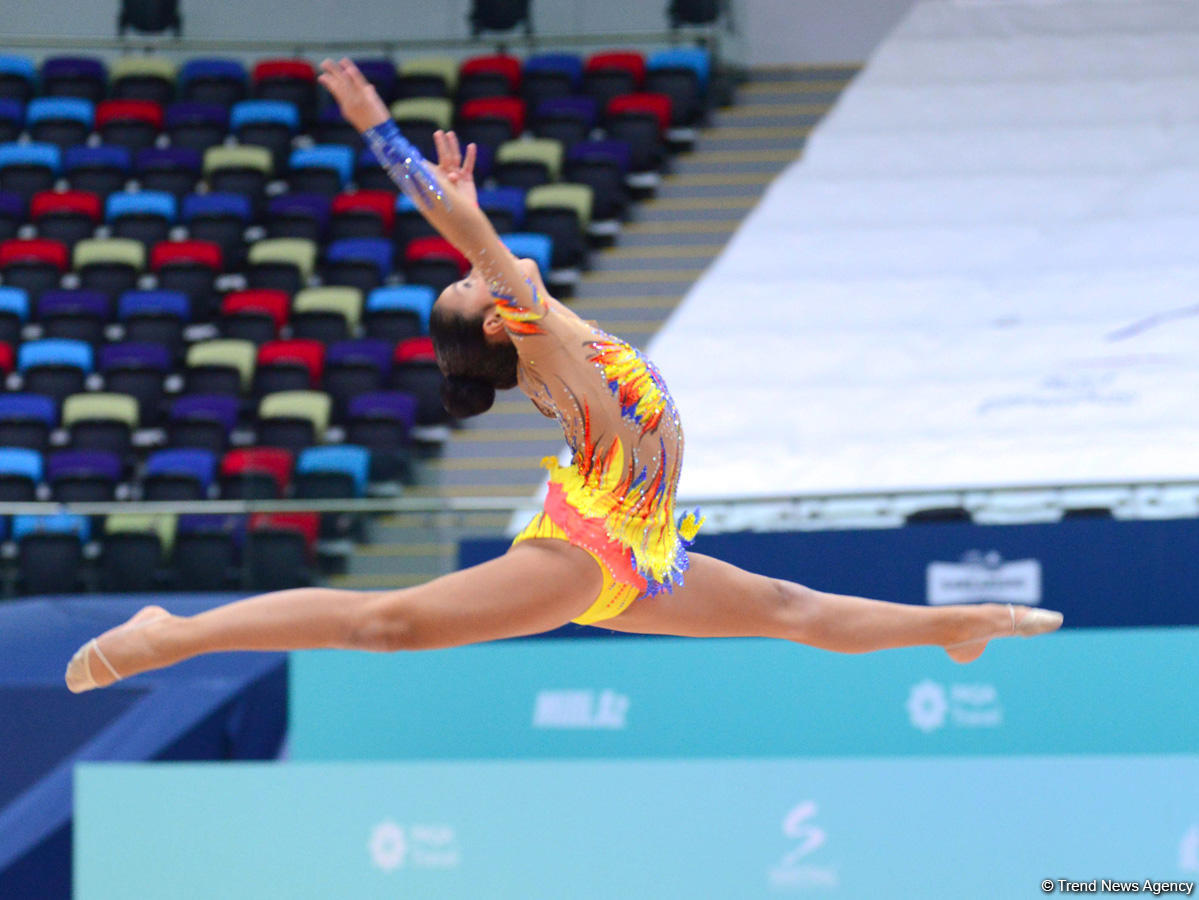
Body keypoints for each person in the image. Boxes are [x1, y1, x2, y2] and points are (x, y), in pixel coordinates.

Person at [64, 59, 1062, 693]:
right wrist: (379, 130)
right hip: (588, 548)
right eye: (475, 280)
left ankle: (956, 627)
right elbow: (455, 228)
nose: (482, 268)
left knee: (788, 610)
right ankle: (171, 633)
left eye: (470, 270)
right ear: (498, 318)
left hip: (643, 548)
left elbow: (470, 237)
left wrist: (465, 212)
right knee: (388, 623)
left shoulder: (554, 329)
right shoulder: (536, 330)